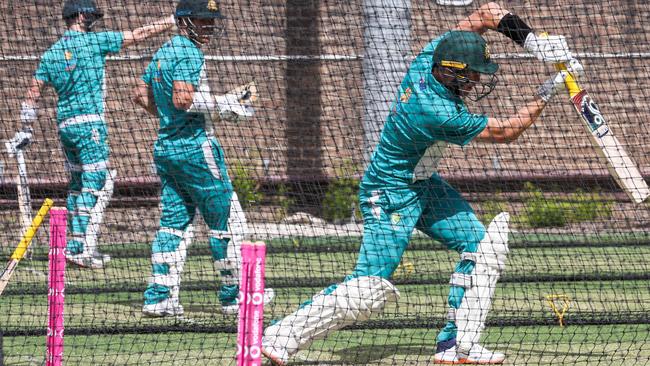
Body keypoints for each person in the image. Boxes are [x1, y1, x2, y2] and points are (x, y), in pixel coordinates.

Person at [262, 2, 583, 365]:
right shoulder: (438, 111)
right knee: (368, 288)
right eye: (473, 74)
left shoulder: (428, 58)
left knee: (483, 249)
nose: (478, 80)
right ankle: (279, 336)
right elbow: (508, 131)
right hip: (391, 191)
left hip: (424, 185)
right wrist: (548, 89)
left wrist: (534, 43)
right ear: (451, 73)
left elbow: (487, 12)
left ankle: (457, 346)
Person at [132, 0, 272, 317]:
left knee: (173, 225)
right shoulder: (189, 52)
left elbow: (139, 94)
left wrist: (172, 118)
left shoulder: (164, 50)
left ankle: (159, 297)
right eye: (202, 20)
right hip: (196, 150)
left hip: (167, 149)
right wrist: (226, 103)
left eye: (211, 21)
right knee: (229, 222)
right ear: (185, 20)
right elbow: (183, 99)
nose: (209, 26)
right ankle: (234, 296)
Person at [17, 0, 176, 269]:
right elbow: (136, 35)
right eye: (89, 15)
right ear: (79, 16)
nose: (93, 20)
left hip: (66, 127)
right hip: (91, 125)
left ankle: (73, 244)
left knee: (78, 185)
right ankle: (80, 247)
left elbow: (34, 91)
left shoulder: (52, 52)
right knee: (97, 182)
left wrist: (25, 129)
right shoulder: (94, 42)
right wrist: (171, 21)